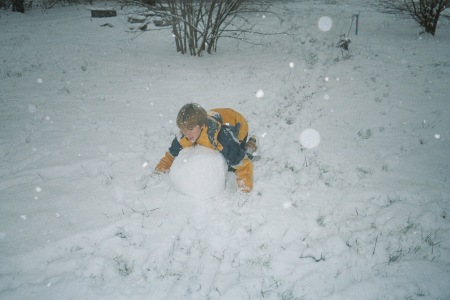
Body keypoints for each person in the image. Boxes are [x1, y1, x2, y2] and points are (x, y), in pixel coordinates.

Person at [155, 103, 257, 192]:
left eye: (190, 129)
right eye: (183, 129)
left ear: (202, 125)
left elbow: (242, 164)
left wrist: (244, 184)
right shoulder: (184, 136)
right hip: (214, 116)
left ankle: (251, 145)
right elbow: (172, 153)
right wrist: (162, 167)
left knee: (232, 162)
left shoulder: (220, 139)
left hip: (236, 123)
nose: (186, 133)